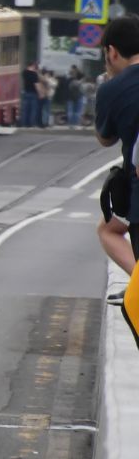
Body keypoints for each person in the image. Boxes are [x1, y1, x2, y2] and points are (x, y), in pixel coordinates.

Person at [93, 16, 139, 305]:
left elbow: (105, 138)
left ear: (112, 52)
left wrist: (109, 86)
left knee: (108, 229)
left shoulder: (113, 88)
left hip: (137, 188)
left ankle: (136, 285)